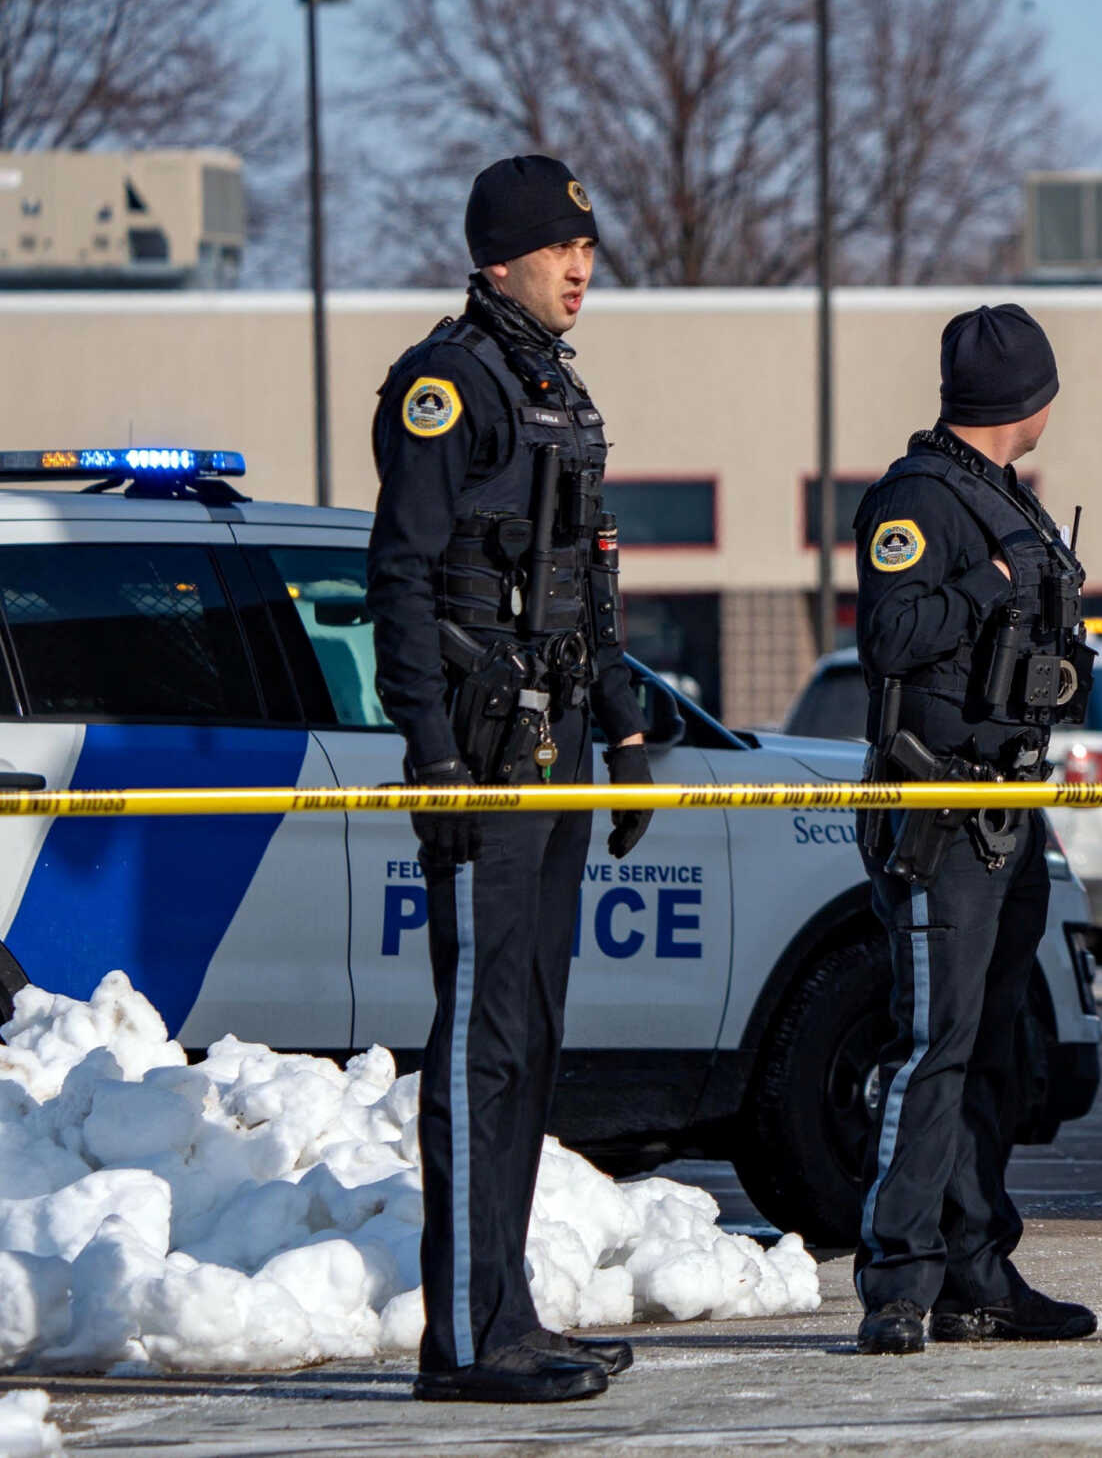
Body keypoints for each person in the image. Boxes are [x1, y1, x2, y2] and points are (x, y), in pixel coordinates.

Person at [368, 156, 654, 1403]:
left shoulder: (549, 385)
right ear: (499, 256)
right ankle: (468, 1341)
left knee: (528, 1038)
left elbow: (587, 585)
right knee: (482, 1042)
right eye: (559, 249)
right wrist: (430, 751)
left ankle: (509, 1311)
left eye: (588, 248)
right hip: (485, 756)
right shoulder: (447, 385)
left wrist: (631, 732)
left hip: (560, 746)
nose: (582, 266)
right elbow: (402, 581)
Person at [849, 303, 1098, 1357]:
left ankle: (977, 1274)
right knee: (932, 1050)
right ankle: (898, 1283)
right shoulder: (919, 499)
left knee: (990, 1052)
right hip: (937, 812)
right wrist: (992, 585)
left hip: (1009, 808)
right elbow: (892, 634)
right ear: (1029, 399)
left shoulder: (1009, 504)